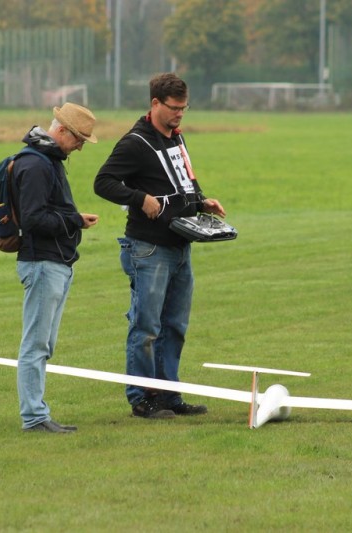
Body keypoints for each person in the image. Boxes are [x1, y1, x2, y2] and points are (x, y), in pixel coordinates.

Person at [94, 73, 226, 419]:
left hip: (181, 244)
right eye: (174, 108)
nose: (180, 114)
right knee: (146, 327)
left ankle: (169, 395)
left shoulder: (176, 137)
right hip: (149, 248)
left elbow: (181, 181)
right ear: (155, 103)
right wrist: (140, 198)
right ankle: (142, 398)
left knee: (175, 326)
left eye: (184, 108)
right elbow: (103, 182)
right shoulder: (135, 142)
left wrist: (201, 202)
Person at [15, 102, 99, 433]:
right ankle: (34, 417)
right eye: (78, 139)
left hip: (55, 261)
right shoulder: (36, 165)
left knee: (43, 344)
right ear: (61, 130)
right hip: (42, 263)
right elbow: (33, 219)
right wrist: (73, 220)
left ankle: (37, 413)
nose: (79, 146)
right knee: (35, 345)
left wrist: (74, 219)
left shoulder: (48, 161)